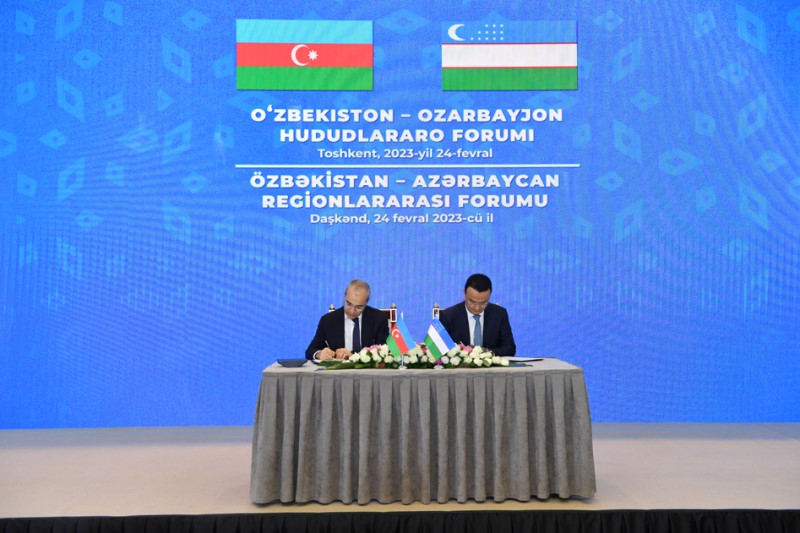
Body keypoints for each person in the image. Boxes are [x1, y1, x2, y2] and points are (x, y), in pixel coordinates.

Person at [305, 280, 390, 360]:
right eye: (348, 304)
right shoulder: (328, 320)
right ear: (344, 296)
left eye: (359, 307)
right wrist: (319, 354)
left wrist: (353, 356)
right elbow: (310, 351)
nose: (352, 311)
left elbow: (384, 352)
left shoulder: (378, 318)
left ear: (366, 302)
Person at [438, 273, 516, 357]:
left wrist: (485, 354)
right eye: (472, 302)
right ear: (464, 293)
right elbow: (440, 351)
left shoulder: (499, 314)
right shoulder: (448, 316)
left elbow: (509, 348)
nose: (477, 308)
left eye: (483, 303)